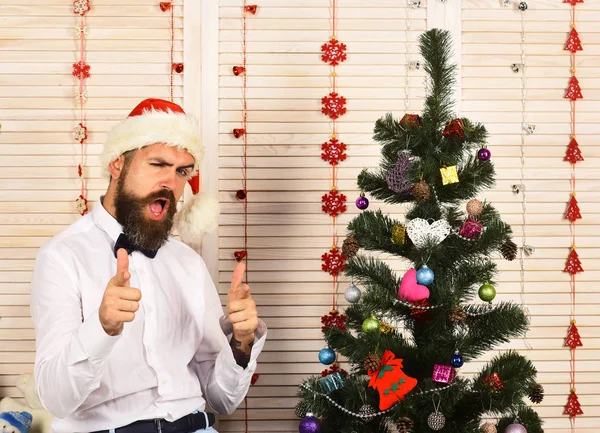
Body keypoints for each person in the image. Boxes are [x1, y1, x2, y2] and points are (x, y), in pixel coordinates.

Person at [30, 98, 267, 433]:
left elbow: (222, 399)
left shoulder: (187, 262)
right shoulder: (62, 256)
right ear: (117, 164)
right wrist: (102, 328)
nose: (170, 182)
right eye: (159, 164)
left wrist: (241, 342)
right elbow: (56, 400)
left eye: (182, 171)